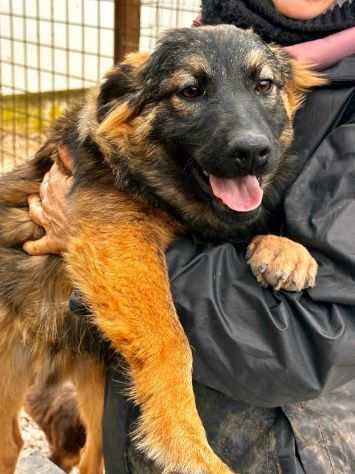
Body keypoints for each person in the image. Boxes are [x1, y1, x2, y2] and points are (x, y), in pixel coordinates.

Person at [24, 0, 355, 472]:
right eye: (192, 91)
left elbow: (309, 340)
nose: (249, 138)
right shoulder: (180, 54)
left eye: (263, 86)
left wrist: (96, 233)